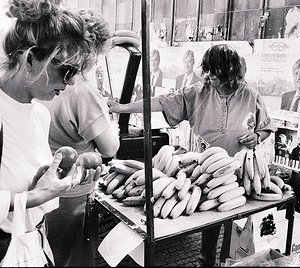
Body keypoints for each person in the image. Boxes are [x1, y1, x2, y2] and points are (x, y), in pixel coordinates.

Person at [107, 44, 277, 267]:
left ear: (230, 71)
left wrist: (257, 136)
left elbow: (266, 127)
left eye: (215, 71)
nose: (209, 75)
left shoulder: (250, 96)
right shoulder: (198, 92)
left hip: (241, 172)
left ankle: (230, 263)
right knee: (208, 224)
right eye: (207, 69)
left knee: (236, 227)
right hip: (204, 170)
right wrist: (123, 108)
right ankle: (204, 262)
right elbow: (161, 102)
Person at [0, 0, 101, 262]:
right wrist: (37, 195)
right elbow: (32, 195)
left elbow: (26, 183)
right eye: (67, 71)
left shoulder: (40, 114)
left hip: (30, 244)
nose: (71, 84)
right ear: (30, 58)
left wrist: (59, 179)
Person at [39, 9, 140, 267]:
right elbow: (110, 147)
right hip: (73, 195)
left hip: (42, 187)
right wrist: (108, 118)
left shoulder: (44, 78)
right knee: (74, 259)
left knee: (48, 256)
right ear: (90, 52)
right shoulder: (81, 91)